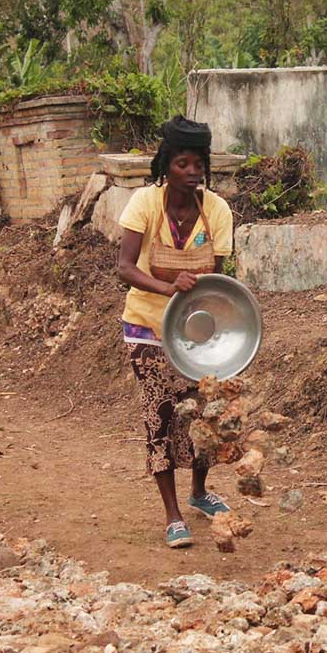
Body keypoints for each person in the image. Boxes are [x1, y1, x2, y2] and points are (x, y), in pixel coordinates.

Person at [116, 115, 234, 549]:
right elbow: (125, 268)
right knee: (160, 417)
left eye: (198, 163)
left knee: (204, 418)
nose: (192, 171)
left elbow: (216, 279)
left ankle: (200, 491)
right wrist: (168, 287)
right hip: (147, 328)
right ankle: (172, 514)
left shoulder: (217, 210)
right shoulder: (144, 204)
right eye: (183, 163)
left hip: (198, 332)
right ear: (166, 165)